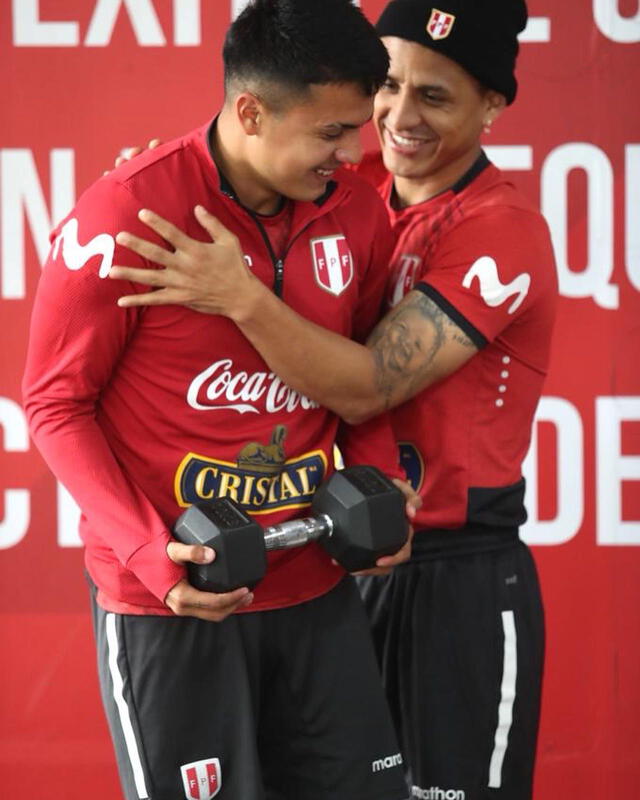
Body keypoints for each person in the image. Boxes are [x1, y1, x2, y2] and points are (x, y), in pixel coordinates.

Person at [109, 1, 559, 798]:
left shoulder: (502, 226)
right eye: (387, 87)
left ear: (493, 104)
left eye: (436, 96)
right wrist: (164, 189)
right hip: (333, 560)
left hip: (455, 571)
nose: (397, 115)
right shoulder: (340, 188)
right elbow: (226, 162)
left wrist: (239, 294)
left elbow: (365, 387)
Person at [21, 2, 417, 799]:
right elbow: (55, 404)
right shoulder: (124, 213)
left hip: (318, 594)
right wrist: (148, 557)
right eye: (332, 132)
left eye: (357, 129)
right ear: (250, 110)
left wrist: (378, 485)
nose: (354, 152)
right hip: (178, 608)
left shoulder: (359, 212)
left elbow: (362, 380)